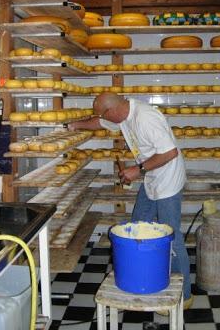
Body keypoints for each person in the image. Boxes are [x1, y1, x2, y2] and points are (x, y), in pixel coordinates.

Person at [68, 92, 192, 307]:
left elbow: (170, 153)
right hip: (152, 177)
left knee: (172, 237)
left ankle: (185, 296)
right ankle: (141, 272)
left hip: (168, 180)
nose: (104, 120)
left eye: (105, 115)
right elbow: (99, 121)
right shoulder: (123, 115)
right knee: (137, 223)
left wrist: (138, 169)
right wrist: (74, 126)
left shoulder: (146, 117)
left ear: (113, 110)